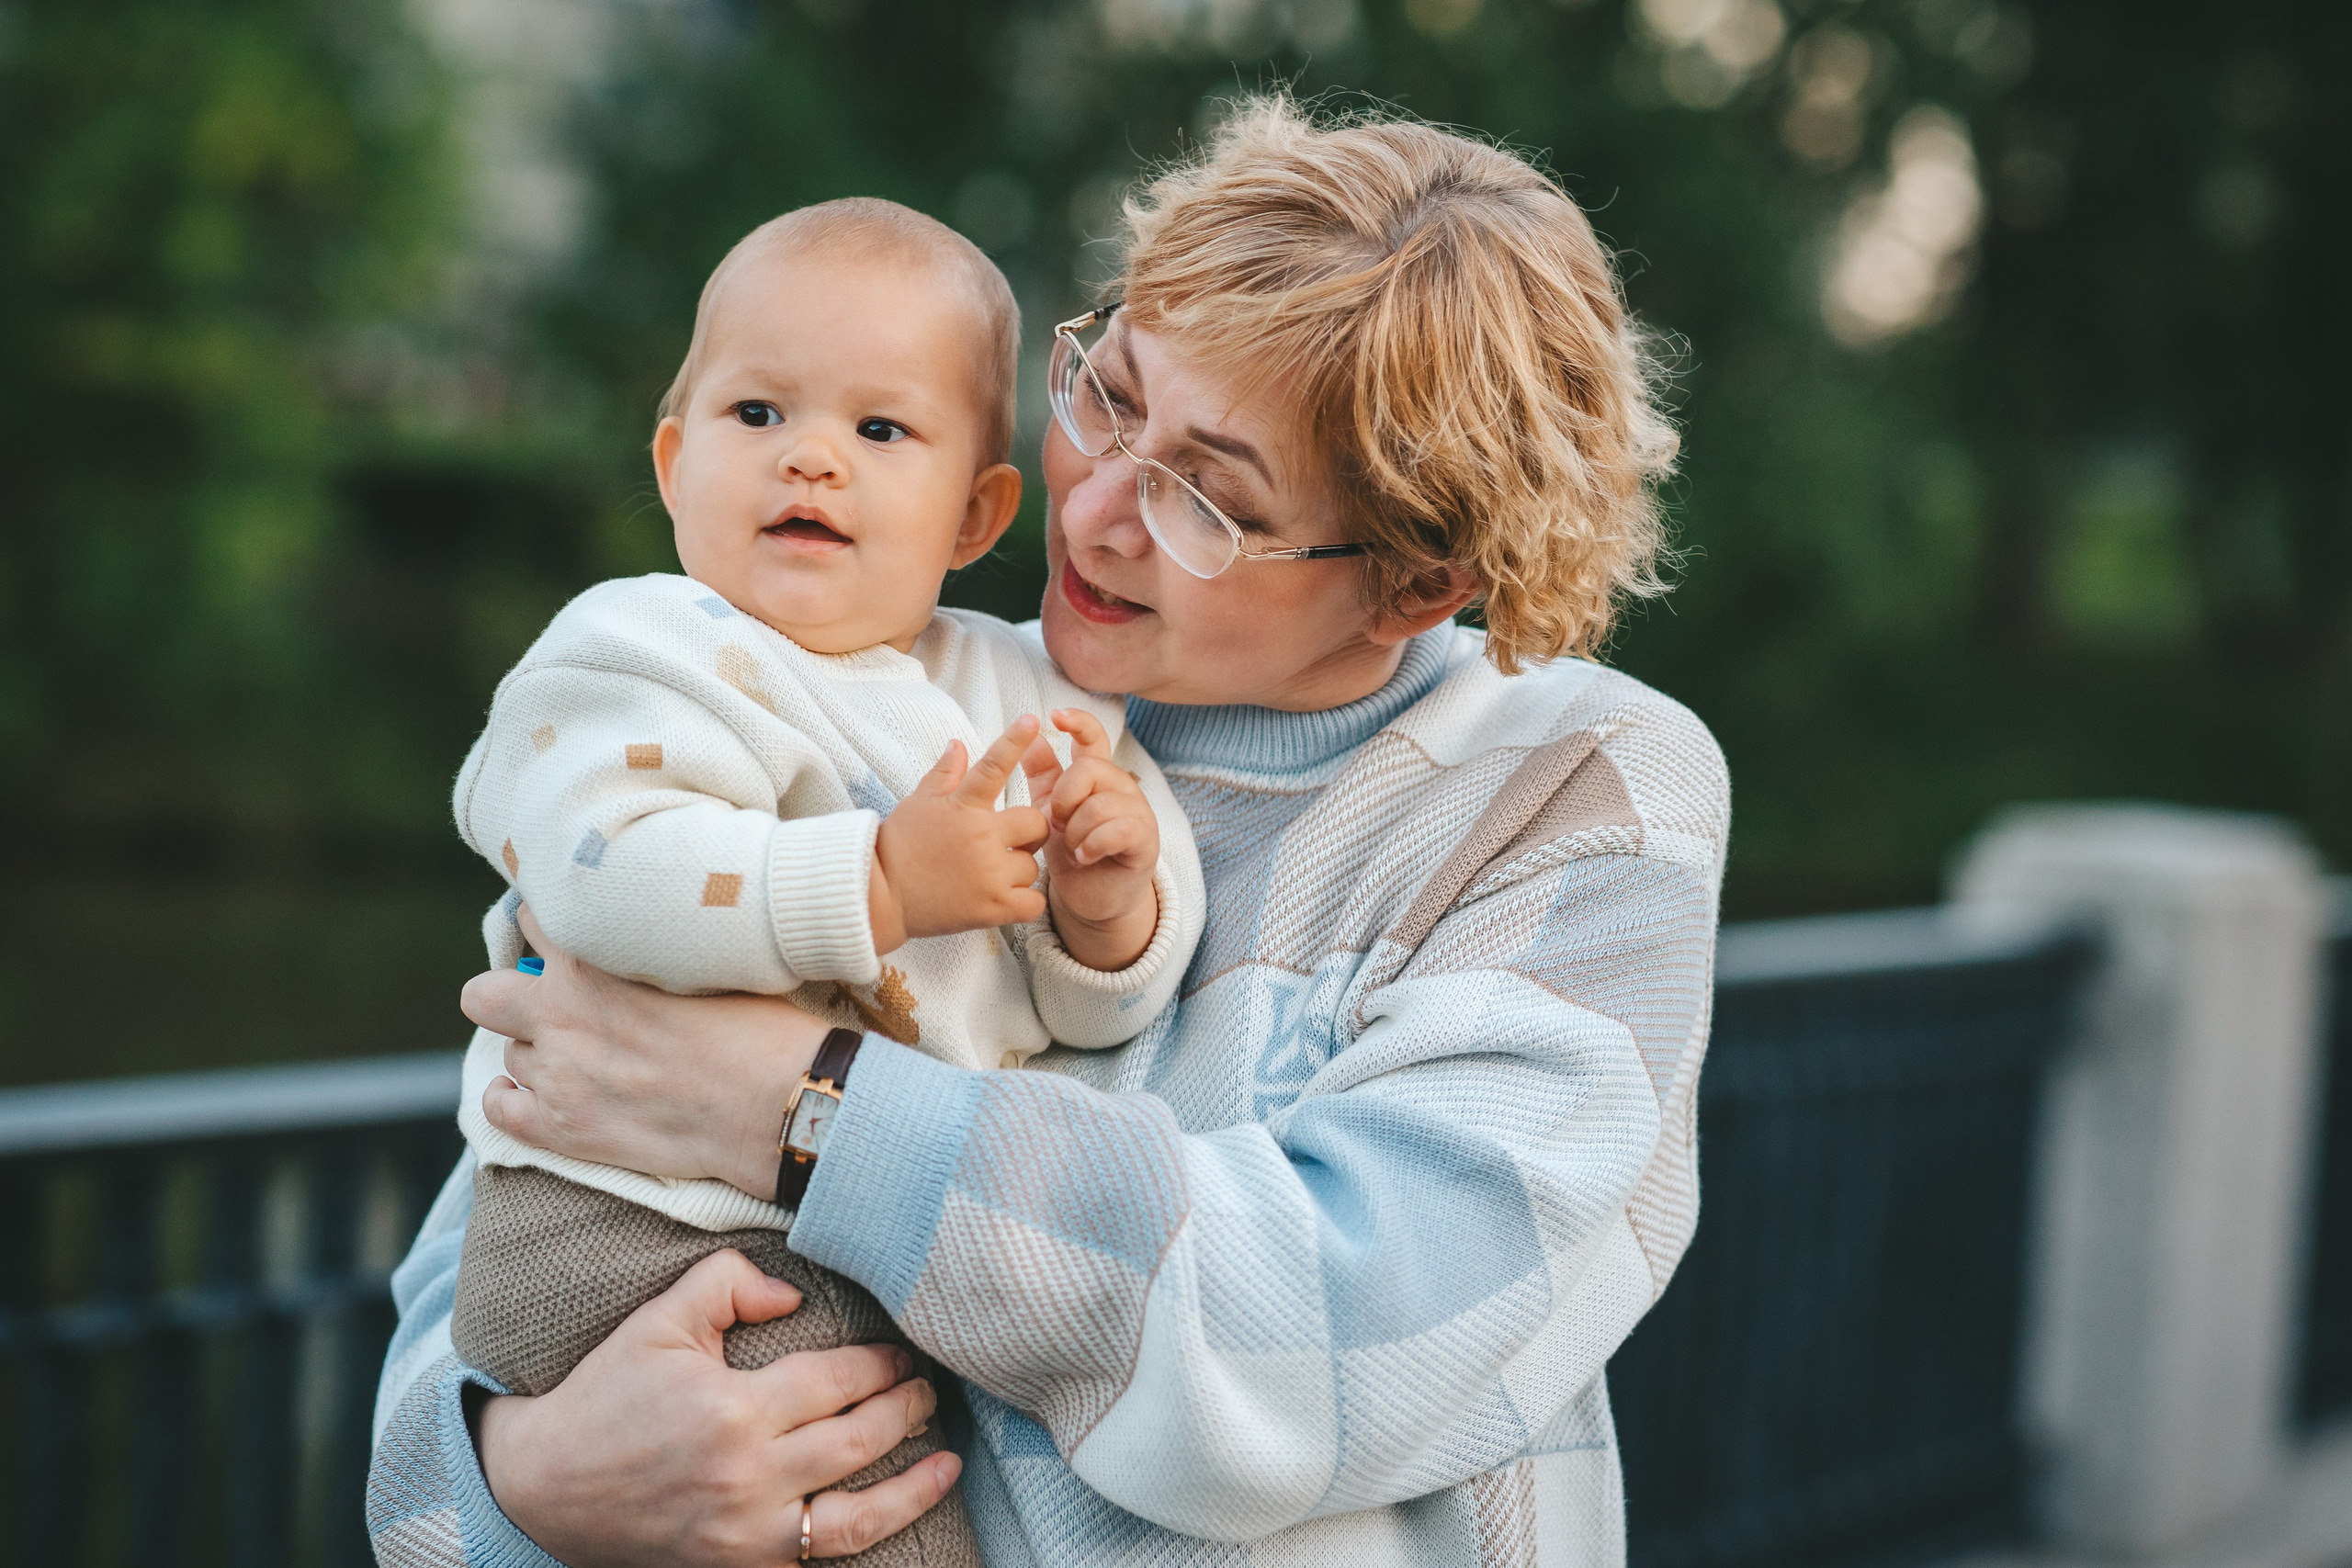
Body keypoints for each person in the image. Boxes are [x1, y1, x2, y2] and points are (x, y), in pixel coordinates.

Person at [369, 96, 1728, 1567]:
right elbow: (508, 1214)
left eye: (1208, 496)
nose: (1094, 518)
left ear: (1416, 581)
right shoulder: (888, 693)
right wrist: (529, 1485)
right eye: (1112, 397)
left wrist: (805, 1111)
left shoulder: (1573, 788)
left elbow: (1326, 1341)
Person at [433, 197, 1202, 1567]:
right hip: (631, 1224)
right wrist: (883, 881)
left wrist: (1103, 908)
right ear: (673, 464)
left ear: (975, 511)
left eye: (880, 430)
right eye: (757, 416)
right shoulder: (638, 648)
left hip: (866, 1229)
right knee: (878, 1513)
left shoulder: (1014, 691)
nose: (812, 462)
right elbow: (608, 882)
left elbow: (1080, 1022)